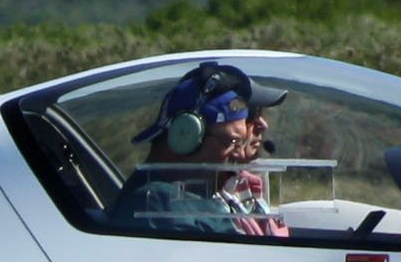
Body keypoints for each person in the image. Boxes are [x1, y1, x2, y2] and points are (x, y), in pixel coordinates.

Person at [107, 62, 292, 239]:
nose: (236, 153)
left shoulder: (186, 198)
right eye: (230, 141)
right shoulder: (157, 205)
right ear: (185, 136)